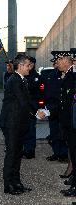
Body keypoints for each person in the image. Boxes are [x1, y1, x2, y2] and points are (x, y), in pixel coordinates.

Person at [0, 53, 45, 195]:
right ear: (20, 66)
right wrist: (37, 112)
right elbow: (23, 101)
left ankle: (17, 182)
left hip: (19, 123)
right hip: (12, 123)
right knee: (12, 154)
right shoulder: (14, 80)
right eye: (27, 65)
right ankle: (9, 185)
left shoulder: (22, 79)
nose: (29, 68)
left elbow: (28, 99)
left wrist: (36, 110)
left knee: (18, 154)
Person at [49, 51, 76, 197]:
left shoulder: (73, 75)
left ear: (66, 60)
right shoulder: (67, 75)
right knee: (72, 152)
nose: (56, 63)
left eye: (58, 60)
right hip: (67, 122)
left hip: (73, 123)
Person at [44, 55, 68, 162]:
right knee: (54, 132)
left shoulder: (66, 75)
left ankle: (63, 154)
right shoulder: (50, 75)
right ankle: (56, 153)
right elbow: (47, 93)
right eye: (55, 62)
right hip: (51, 108)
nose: (56, 64)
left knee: (62, 132)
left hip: (61, 108)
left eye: (58, 62)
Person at [23, 57, 40, 159]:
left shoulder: (36, 76)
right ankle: (25, 149)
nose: (30, 65)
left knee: (31, 129)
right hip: (23, 107)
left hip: (32, 106)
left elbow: (37, 92)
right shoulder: (24, 75)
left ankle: (30, 150)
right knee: (23, 128)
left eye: (31, 63)